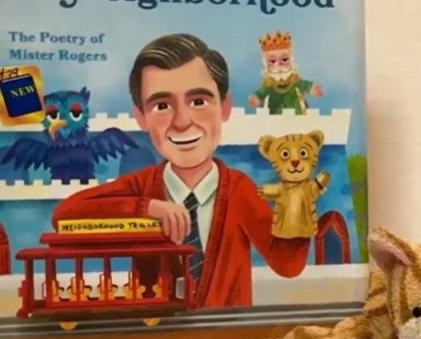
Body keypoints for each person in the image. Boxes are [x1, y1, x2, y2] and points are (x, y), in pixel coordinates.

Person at [51, 33, 310, 308]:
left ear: (224, 107)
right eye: (162, 106)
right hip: (157, 338)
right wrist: (147, 208)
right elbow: (64, 214)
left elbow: (288, 265)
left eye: (198, 101)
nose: (182, 122)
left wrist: (300, 208)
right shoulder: (142, 186)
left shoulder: (239, 189)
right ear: (141, 117)